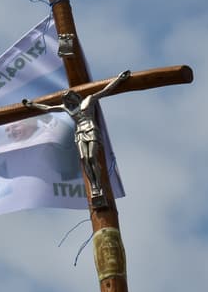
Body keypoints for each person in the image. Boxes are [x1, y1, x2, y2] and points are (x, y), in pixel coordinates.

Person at [23, 70, 131, 201]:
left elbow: (105, 91)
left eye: (70, 96)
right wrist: (32, 104)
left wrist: (119, 79)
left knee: (91, 157)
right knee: (84, 158)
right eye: (67, 98)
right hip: (79, 133)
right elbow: (48, 109)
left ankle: (97, 184)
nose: (69, 99)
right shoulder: (67, 108)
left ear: (75, 96)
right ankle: (94, 186)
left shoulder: (88, 100)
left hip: (91, 130)